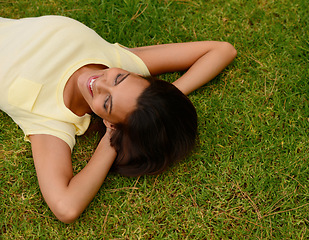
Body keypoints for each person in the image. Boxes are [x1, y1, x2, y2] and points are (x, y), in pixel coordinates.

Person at [0, 15, 237, 223]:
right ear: (134, 75)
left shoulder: (51, 118)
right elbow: (222, 50)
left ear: (110, 122)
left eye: (107, 103)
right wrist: (164, 98)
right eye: (119, 79)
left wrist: (111, 140)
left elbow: (66, 207)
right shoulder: (121, 61)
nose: (99, 83)